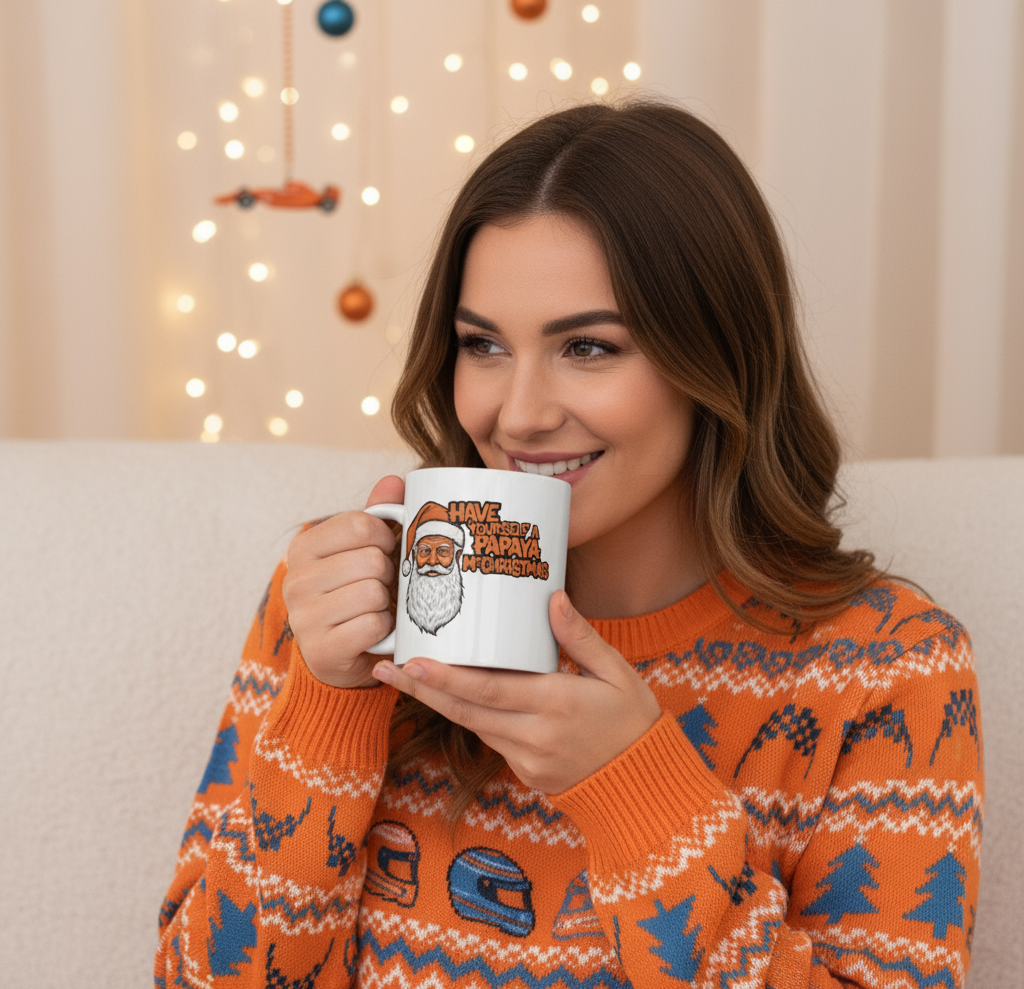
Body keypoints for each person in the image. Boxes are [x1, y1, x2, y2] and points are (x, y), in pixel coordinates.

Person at [156, 101, 982, 988]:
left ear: (718, 358)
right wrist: (332, 703)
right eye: (483, 346)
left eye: (587, 346)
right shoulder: (336, 600)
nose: (517, 414)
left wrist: (638, 792)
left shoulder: (888, 667)